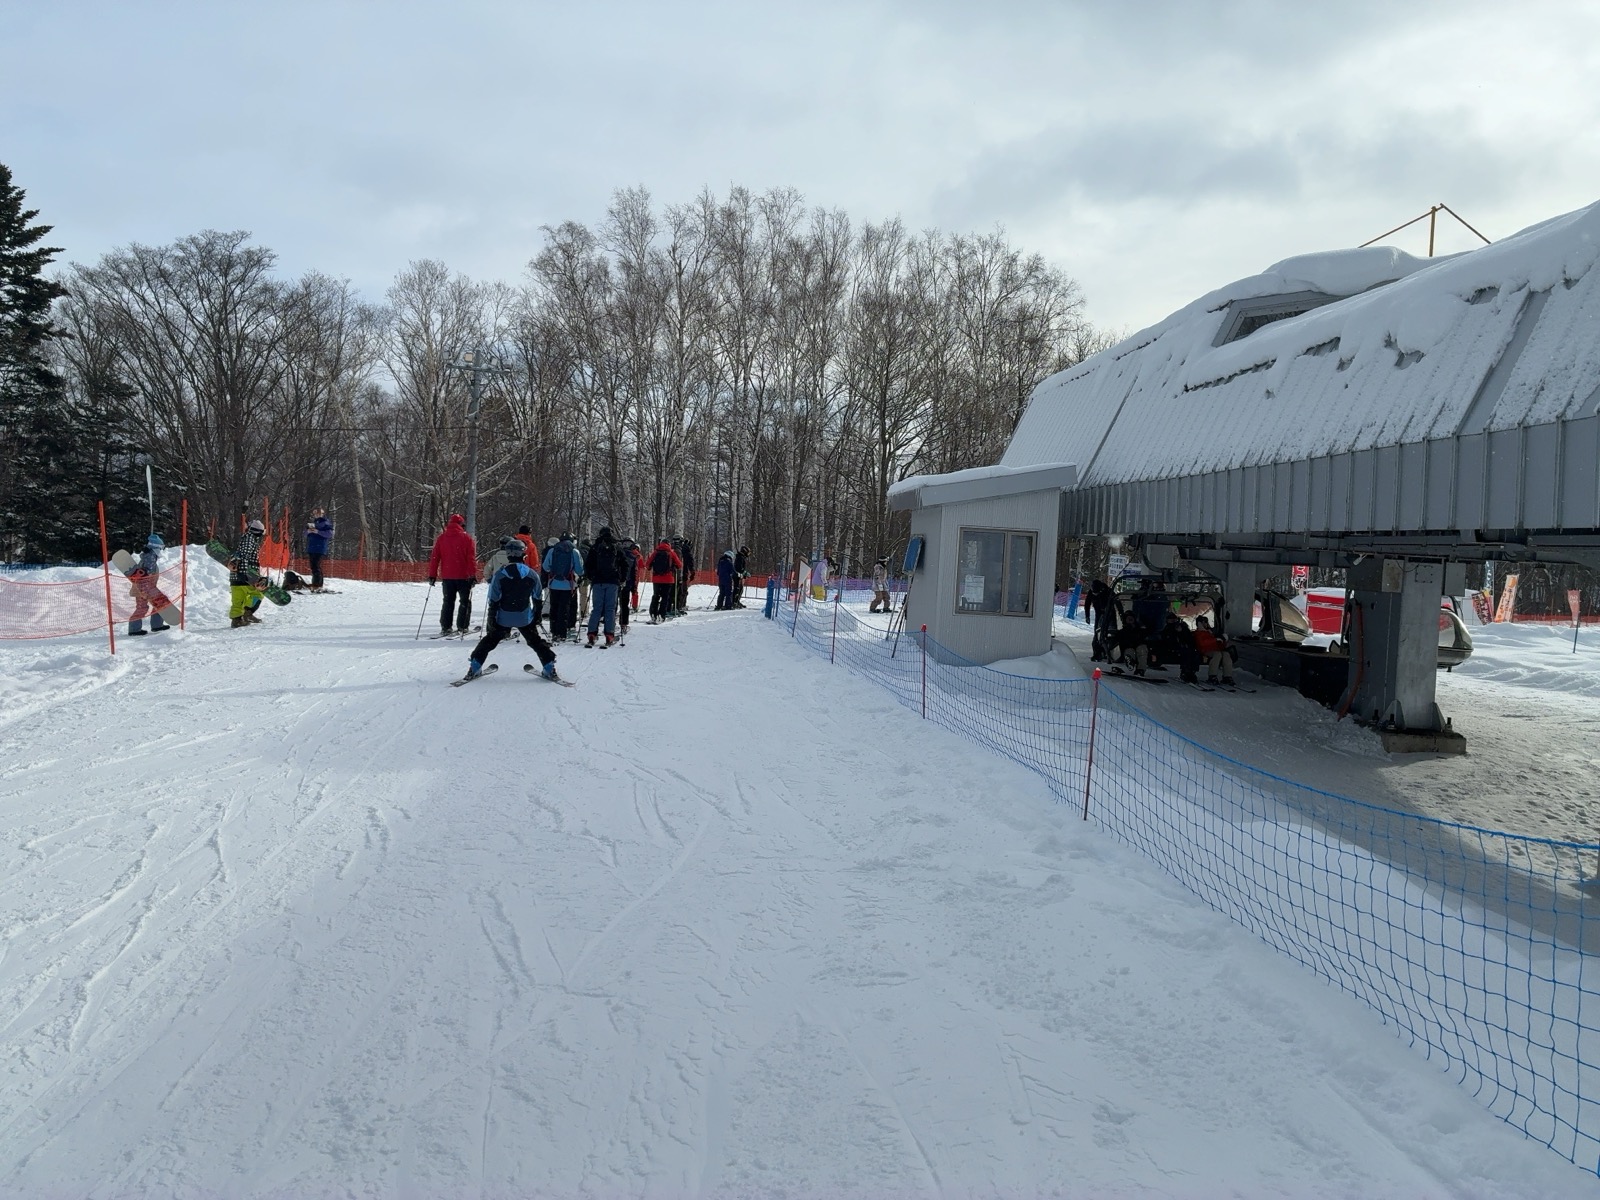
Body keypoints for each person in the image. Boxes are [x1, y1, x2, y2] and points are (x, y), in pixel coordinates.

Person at [462, 538, 562, 682]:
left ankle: (475, 666)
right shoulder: (531, 574)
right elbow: (537, 597)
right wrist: (537, 616)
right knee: (535, 641)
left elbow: (494, 599)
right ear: (523, 555)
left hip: (503, 617)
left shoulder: (500, 574)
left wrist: (492, 619)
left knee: (489, 641)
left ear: (508, 555)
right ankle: (549, 666)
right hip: (524, 617)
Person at [426, 513, 478, 638]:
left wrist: (432, 575)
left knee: (448, 601)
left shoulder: (442, 538)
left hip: (447, 576)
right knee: (465, 601)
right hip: (464, 576)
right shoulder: (467, 539)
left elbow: (435, 558)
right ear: (461, 525)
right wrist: (472, 574)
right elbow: (470, 559)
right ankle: (463, 626)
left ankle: (446, 626)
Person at [583, 527, 623, 646]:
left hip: (598, 581)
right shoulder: (617, 547)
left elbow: (588, 564)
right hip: (612, 581)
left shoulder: (595, 547)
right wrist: (622, 578)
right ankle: (609, 635)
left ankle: (591, 634)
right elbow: (624, 563)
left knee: (597, 608)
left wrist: (591, 576)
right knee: (610, 609)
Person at [127, 533, 170, 635]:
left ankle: (157, 625)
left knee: (158, 604)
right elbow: (146, 574)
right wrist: (146, 590)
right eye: (161, 548)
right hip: (143, 589)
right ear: (157, 547)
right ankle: (134, 629)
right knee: (143, 607)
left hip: (147, 588)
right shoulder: (150, 557)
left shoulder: (150, 556)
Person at [543, 532, 583, 642]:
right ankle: (561, 633)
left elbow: (545, 567)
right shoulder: (574, 551)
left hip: (553, 583)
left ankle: (554, 631)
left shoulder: (552, 550)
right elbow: (580, 570)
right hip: (568, 584)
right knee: (564, 608)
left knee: (554, 607)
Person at [228, 518, 268, 629]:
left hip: (234, 578)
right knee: (258, 593)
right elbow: (244, 556)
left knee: (238, 599)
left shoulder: (243, 538)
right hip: (246, 576)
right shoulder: (249, 539)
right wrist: (244, 574)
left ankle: (236, 620)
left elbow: (238, 555)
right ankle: (248, 613)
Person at [1193, 615, 1238, 685]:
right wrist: (1214, 640)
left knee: (1226, 655)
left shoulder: (1209, 632)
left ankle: (1227, 676)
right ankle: (1212, 675)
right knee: (1217, 655)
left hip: (1215, 649)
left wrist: (1223, 641)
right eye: (1204, 622)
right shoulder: (1198, 633)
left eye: (1206, 622)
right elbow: (1202, 643)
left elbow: (1218, 645)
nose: (1206, 624)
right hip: (1205, 650)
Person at [647, 538, 682, 623]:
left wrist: (651, 567)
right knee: (665, 597)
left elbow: (647, 564)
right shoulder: (671, 552)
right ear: (669, 544)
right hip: (668, 579)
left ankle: (653, 614)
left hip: (656, 579)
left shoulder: (656, 552)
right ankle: (661, 615)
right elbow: (679, 565)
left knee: (656, 596)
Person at [304, 507, 333, 591]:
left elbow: (329, 534)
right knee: (313, 566)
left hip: (319, 547)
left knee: (316, 566)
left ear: (323, 514)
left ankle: (317, 584)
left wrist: (318, 532)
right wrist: (308, 531)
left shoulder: (326, 523)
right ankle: (315, 583)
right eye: (316, 514)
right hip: (311, 547)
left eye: (319, 514)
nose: (317, 515)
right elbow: (305, 534)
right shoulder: (313, 523)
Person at [616, 536, 639, 636]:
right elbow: (634, 573)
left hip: (615, 582)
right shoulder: (632, 557)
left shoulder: (617, 554)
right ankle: (624, 624)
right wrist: (634, 587)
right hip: (627, 583)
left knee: (613, 604)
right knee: (624, 604)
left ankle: (610, 622)